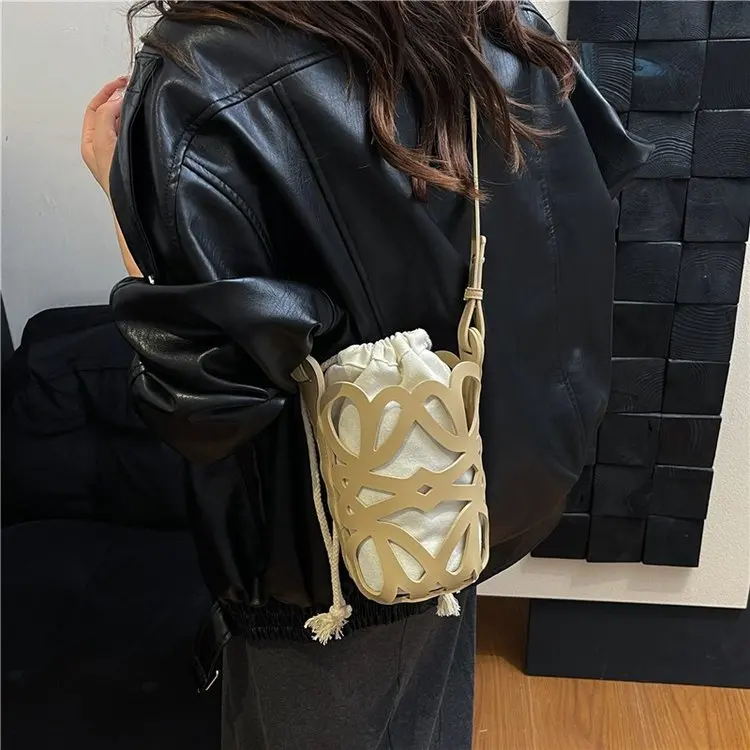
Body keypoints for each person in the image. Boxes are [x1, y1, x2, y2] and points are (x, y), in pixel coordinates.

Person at [82, 2, 651, 748]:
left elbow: (208, 402)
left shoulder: (201, 69)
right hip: (463, 496)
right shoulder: (488, 20)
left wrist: (121, 188)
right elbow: (574, 219)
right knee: (424, 715)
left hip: (322, 569)